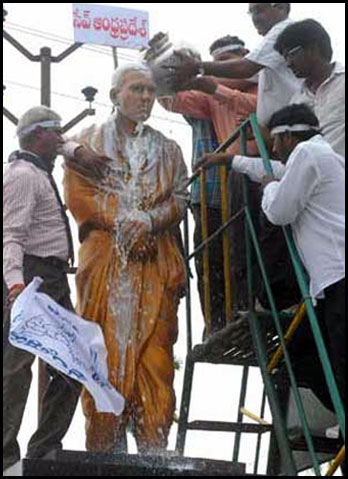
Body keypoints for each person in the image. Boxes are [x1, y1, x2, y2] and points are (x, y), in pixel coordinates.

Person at [62, 63, 188, 454]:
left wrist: (149, 221)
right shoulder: (86, 142)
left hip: (155, 262)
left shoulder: (169, 149)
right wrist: (122, 222)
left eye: (150, 91)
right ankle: (104, 447)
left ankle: (154, 448)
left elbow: (180, 198)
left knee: (157, 358)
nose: (145, 98)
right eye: (136, 89)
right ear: (115, 95)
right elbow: (77, 196)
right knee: (102, 354)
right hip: (105, 264)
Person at [198, 103, 345, 413]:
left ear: (289, 137)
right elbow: (275, 170)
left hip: (338, 280)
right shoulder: (321, 156)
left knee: (336, 366)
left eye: (275, 142)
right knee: (299, 356)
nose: (273, 149)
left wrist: (268, 188)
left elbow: (278, 211)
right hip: (329, 284)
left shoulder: (308, 155)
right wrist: (230, 160)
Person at [159, 35, 258, 332]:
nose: (222, 72)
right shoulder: (208, 96)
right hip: (218, 186)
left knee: (250, 250)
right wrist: (159, 63)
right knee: (213, 258)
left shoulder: (265, 80)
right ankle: (219, 319)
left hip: (260, 177)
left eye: (229, 64)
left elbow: (257, 106)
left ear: (245, 58)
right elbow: (171, 99)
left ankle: (251, 305)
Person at [3, 106, 82, 471]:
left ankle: (43, 448)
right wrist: (16, 284)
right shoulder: (22, 175)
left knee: (74, 363)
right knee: (16, 367)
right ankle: (6, 454)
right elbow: (11, 236)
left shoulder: (37, 170)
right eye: (57, 132)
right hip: (32, 276)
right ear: (39, 135)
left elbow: (66, 145)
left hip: (52, 279)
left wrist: (68, 148)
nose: (63, 138)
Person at [166, 3, 302, 127]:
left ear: (282, 7)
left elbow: (244, 69)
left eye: (259, 10)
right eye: (251, 13)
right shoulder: (263, 69)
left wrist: (197, 68)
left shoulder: (284, 30)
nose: (255, 19)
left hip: (292, 129)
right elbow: (174, 99)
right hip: (282, 134)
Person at [274, 18, 345, 158]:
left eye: (291, 54)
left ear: (313, 48)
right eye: (284, 58)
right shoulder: (296, 101)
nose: (288, 64)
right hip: (315, 177)